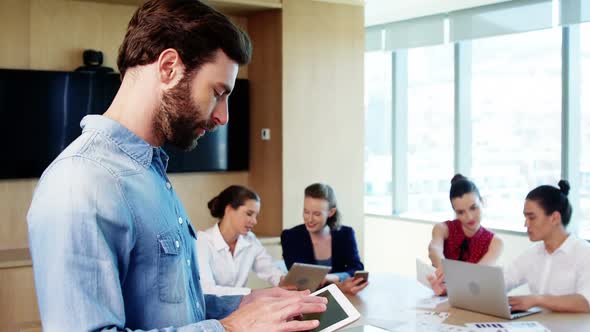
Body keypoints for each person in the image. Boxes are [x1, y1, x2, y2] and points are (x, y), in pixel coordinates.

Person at [26, 1, 326, 331]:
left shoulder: (149, 173)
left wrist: (243, 304)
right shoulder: (81, 181)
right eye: (218, 92)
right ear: (169, 68)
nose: (223, 117)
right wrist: (230, 328)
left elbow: (171, 309)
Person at [505, 180, 590, 313]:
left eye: (532, 218)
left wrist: (537, 300)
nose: (526, 224)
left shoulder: (585, 253)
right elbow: (504, 280)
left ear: (555, 218)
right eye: (525, 217)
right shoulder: (532, 254)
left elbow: (586, 302)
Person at [196, 185, 285, 295]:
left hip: (241, 307)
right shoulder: (202, 241)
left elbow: (270, 270)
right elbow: (207, 290)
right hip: (212, 311)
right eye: (249, 214)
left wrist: (283, 280)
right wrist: (252, 293)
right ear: (228, 210)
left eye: (256, 216)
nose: (254, 221)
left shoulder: (250, 240)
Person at [281, 183, 368, 295]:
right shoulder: (290, 236)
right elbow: (302, 282)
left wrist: (332, 277)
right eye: (306, 212)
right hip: (308, 300)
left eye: (317, 214)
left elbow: (356, 268)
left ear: (331, 212)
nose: (309, 219)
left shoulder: (345, 234)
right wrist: (340, 286)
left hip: (345, 298)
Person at [428, 174, 503, 295]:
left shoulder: (495, 242)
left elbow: (476, 275)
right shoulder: (442, 229)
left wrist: (450, 281)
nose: (469, 217)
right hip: (442, 299)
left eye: (473, 208)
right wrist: (443, 267)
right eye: (461, 212)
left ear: (482, 202)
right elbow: (434, 249)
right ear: (454, 211)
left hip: (474, 300)